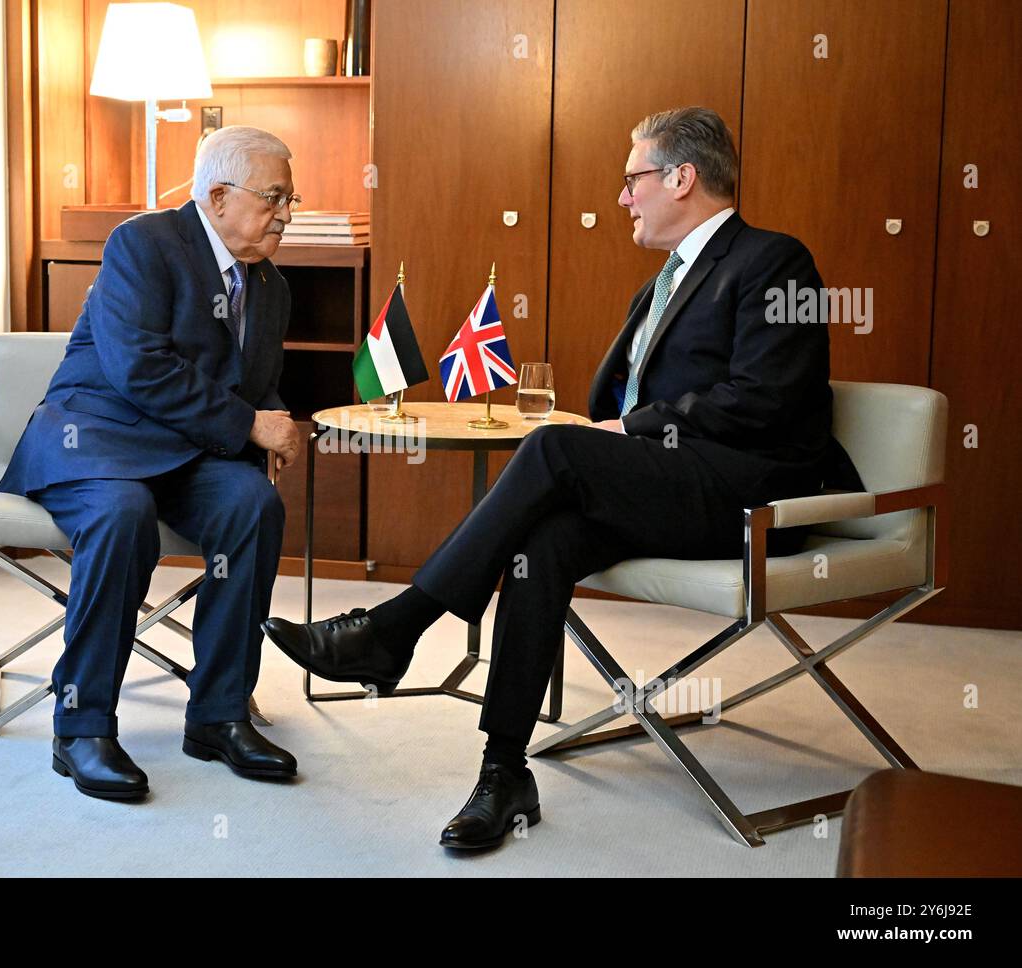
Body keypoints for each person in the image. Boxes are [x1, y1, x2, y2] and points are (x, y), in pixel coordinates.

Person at [263, 107, 862, 848]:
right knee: (542, 542)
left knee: (555, 447)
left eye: (633, 179)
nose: (622, 199)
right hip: (673, 487)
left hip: (753, 497)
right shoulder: (661, 285)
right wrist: (620, 434)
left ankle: (395, 627)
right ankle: (503, 770)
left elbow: (769, 397)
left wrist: (627, 432)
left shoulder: (774, 261)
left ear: (683, 178)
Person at [0, 126, 305, 800]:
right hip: (99, 438)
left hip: (186, 451)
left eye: (292, 199)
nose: (287, 212)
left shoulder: (273, 286)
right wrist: (250, 424)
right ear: (220, 196)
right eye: (275, 197)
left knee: (253, 506)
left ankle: (220, 714)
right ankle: (80, 729)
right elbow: (142, 367)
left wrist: (272, 425)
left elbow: (253, 384)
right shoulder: (144, 243)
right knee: (122, 512)